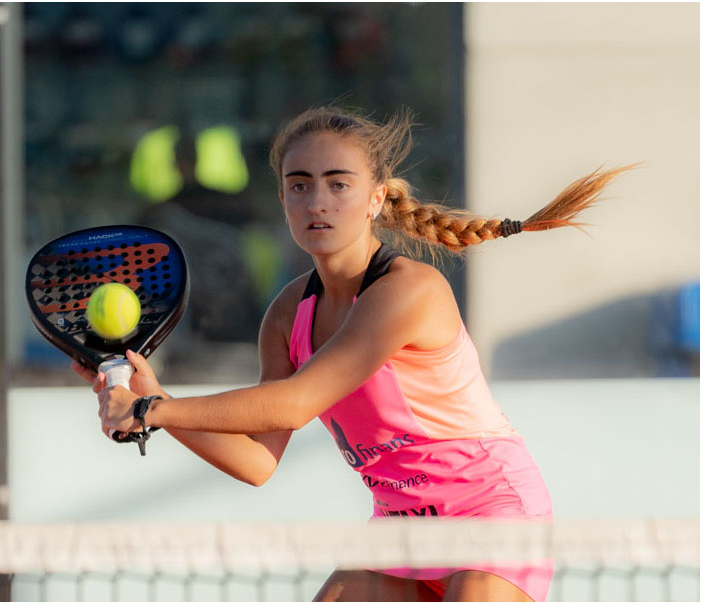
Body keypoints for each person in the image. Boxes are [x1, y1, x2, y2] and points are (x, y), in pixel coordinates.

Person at [73, 107, 633, 601]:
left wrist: (150, 411)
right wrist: (157, 400)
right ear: (283, 200)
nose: (317, 202)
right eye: (299, 185)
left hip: (491, 515)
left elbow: (294, 403)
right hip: (400, 529)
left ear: (376, 198)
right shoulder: (286, 315)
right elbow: (257, 462)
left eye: (338, 184)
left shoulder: (409, 291)